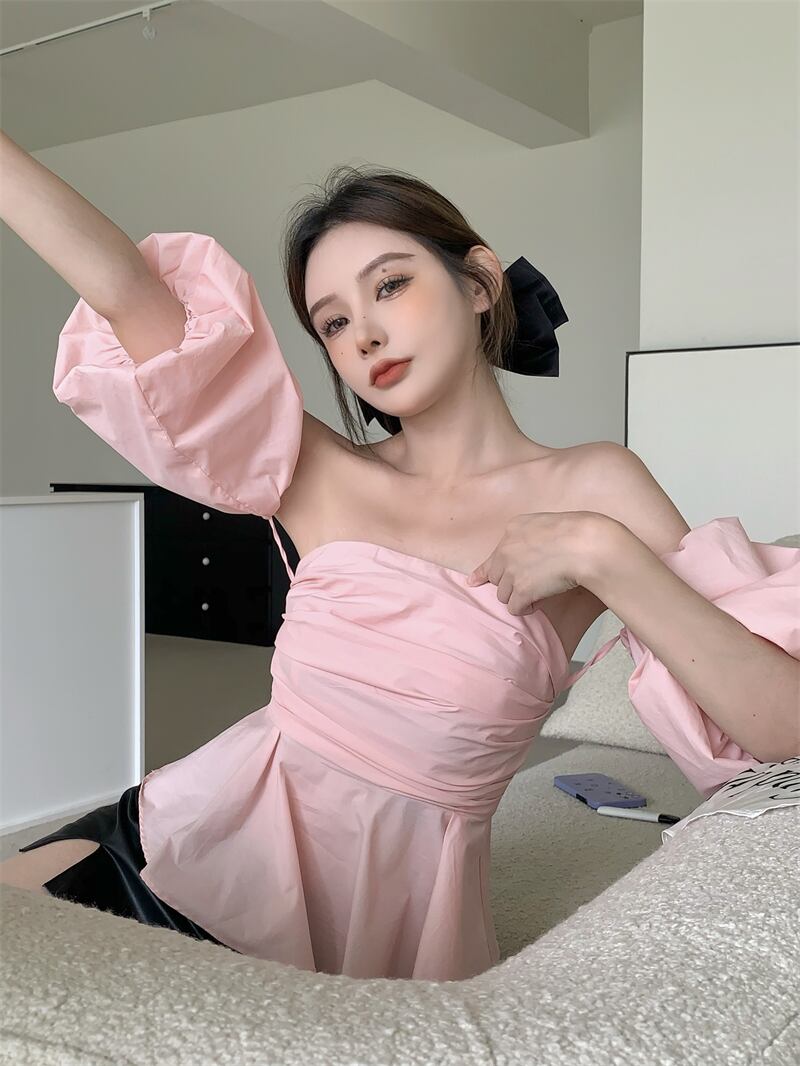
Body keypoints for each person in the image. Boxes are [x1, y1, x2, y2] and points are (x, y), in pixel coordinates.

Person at [1, 131, 798, 981]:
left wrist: (605, 555)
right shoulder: (314, 470)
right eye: (334, 322)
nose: (367, 335)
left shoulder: (597, 487)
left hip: (388, 934)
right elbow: (128, 292)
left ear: (479, 282)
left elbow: (781, 730)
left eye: (390, 285)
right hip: (175, 846)